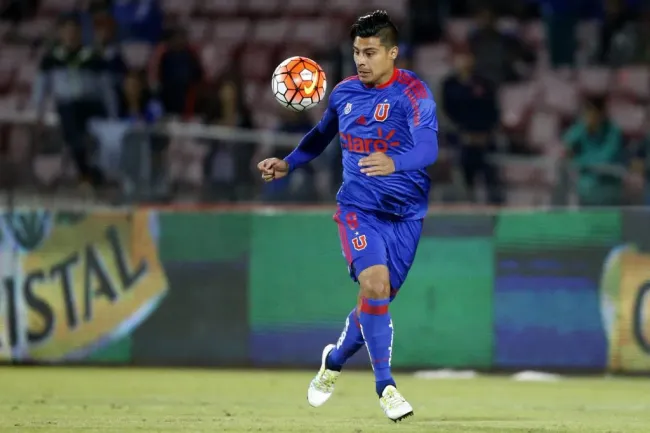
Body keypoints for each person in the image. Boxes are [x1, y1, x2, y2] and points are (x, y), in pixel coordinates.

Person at [256, 10, 438, 422]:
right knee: (375, 285)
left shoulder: (414, 93)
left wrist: (395, 162)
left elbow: (429, 149)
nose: (361, 60)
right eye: (356, 51)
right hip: (358, 209)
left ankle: (334, 360)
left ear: (392, 53)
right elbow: (321, 136)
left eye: (371, 52)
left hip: (406, 215)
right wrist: (289, 162)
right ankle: (386, 386)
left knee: (376, 300)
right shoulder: (343, 93)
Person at [561, 95, 625, 206]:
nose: (589, 117)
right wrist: (581, 129)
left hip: (606, 186)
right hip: (584, 187)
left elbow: (605, 159)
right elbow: (566, 145)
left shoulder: (613, 132)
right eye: (586, 114)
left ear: (601, 114)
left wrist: (579, 161)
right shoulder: (582, 128)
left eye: (593, 114)